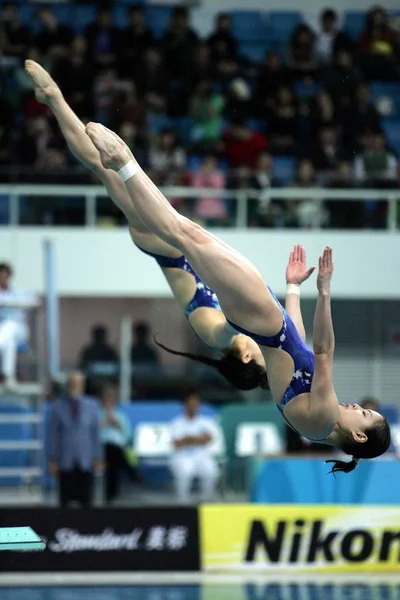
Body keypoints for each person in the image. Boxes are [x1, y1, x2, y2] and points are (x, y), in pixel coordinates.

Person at [84, 120, 391, 476]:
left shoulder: (324, 417)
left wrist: (324, 292)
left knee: (185, 234)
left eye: (365, 415)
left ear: (358, 436)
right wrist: (293, 288)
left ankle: (123, 160)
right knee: (185, 236)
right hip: (265, 322)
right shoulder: (315, 424)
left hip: (263, 319)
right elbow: (299, 348)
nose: (358, 406)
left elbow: (322, 350)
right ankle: (121, 167)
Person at [24, 60, 269, 391]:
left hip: (163, 243)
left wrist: (243, 321)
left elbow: (223, 328)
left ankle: (54, 96)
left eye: (260, 354)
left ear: (244, 358)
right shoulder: (240, 330)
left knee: (105, 165)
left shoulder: (213, 335)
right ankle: (54, 100)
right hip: (170, 236)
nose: (262, 346)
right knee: (102, 169)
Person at [49, 371, 102, 507]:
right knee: (65, 502)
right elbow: (54, 435)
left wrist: (98, 457)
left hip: (86, 460)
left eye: (78, 384)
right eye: (72, 384)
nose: (75, 387)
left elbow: (95, 434)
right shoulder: (57, 406)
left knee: (86, 502)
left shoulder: (93, 405)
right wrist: (53, 458)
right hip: (65, 460)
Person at [170, 389, 219, 502]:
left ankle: (204, 499)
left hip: (202, 456)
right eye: (190, 404)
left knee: (211, 471)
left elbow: (208, 439)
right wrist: (198, 438)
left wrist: (188, 438)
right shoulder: (177, 422)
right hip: (182, 457)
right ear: (185, 406)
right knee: (185, 471)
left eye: (195, 404)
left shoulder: (206, 422)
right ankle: (183, 501)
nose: (193, 407)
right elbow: (177, 443)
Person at [100, 382, 140, 504]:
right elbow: (93, 435)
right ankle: (131, 471)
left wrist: (118, 425)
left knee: (114, 459)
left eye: (112, 398)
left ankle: (110, 495)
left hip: (119, 448)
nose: (110, 401)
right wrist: (106, 423)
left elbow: (127, 436)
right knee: (113, 451)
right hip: (101, 448)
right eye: (107, 398)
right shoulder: (97, 415)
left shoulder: (121, 416)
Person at [0, 263, 35, 389]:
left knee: (10, 326)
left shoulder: (19, 292)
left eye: (5, 275)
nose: (2, 278)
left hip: (18, 329)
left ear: (9, 276)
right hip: (4, 333)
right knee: (9, 343)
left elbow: (34, 301)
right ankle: (9, 376)